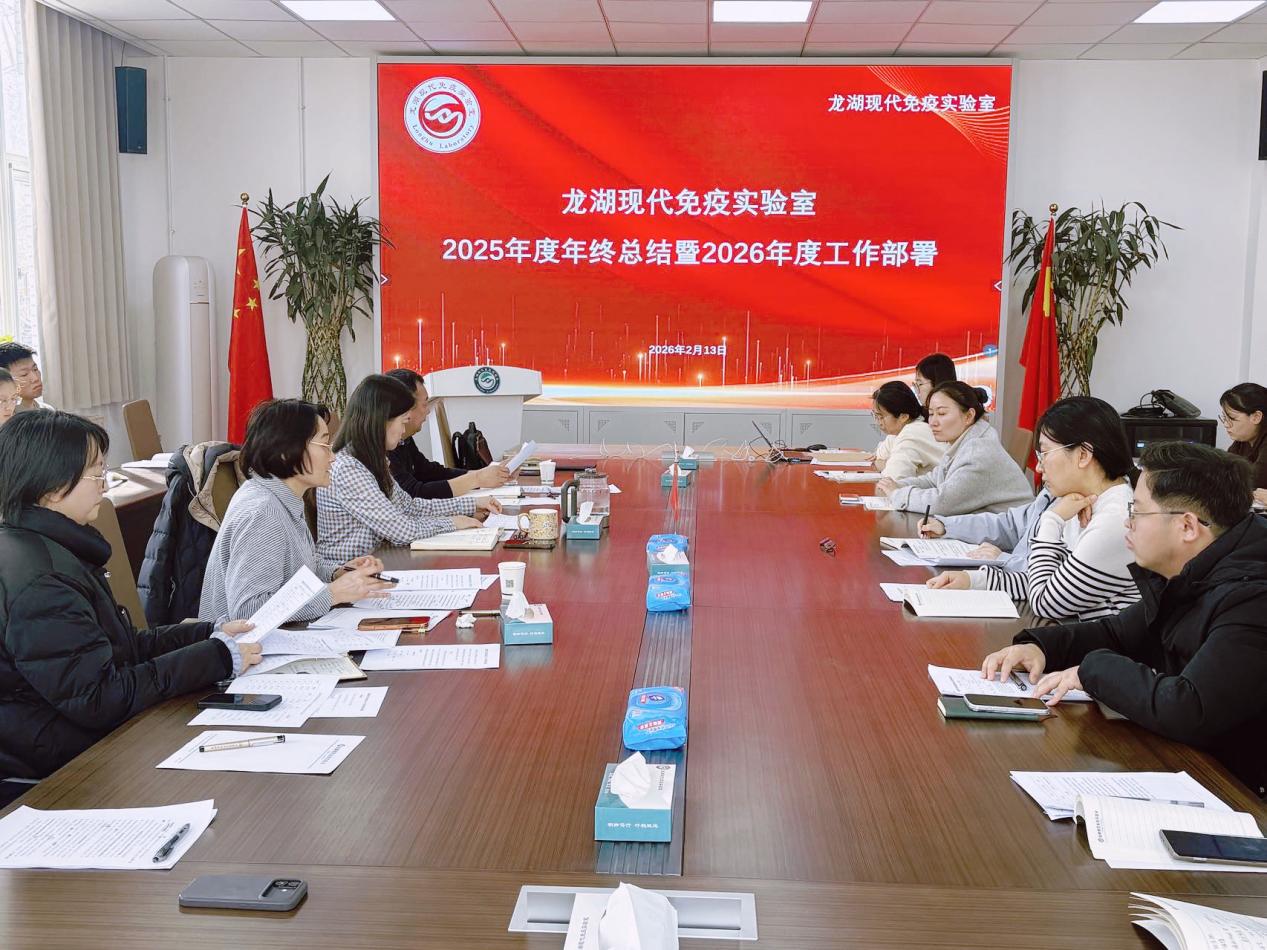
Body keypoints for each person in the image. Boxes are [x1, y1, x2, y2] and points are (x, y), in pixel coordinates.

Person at [981, 441, 1267, 797]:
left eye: (1138, 511)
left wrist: (1092, 670)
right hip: (1189, 767)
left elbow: (1190, 709)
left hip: (1241, 795)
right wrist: (1039, 647)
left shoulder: (1251, 596)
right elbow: (1118, 633)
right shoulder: (1194, 570)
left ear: (1187, 526)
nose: (1127, 523)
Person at [0, 411, 260, 792]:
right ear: (53, 488)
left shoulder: (50, 549)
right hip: (61, 770)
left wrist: (209, 634)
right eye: (96, 474)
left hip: (74, 737)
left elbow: (120, 648)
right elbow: (100, 698)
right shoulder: (42, 582)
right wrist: (217, 657)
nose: (104, 485)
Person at [923, 396, 1139, 621]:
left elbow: (1047, 602)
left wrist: (1051, 519)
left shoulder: (1115, 520)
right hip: (1068, 631)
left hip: (1093, 640)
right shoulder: (1078, 500)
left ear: (1083, 455)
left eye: (1044, 453)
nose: (1038, 467)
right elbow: (1047, 581)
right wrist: (974, 580)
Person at [200, 398, 394, 625]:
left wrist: (338, 573)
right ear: (286, 451)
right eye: (324, 445)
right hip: (244, 644)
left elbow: (299, 567)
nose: (332, 457)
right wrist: (332, 594)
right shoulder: (262, 513)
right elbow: (248, 612)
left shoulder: (282, 496)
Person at [317, 374, 497, 563]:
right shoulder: (348, 468)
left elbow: (409, 507)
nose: (404, 431)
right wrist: (454, 522)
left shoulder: (373, 459)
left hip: (379, 561)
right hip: (348, 572)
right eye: (403, 422)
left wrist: (470, 505)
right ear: (382, 421)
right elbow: (402, 530)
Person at [876, 381, 1033, 516]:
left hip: (1011, 536)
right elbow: (934, 480)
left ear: (968, 416)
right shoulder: (961, 441)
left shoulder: (978, 451)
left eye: (942, 413)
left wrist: (897, 494)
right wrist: (898, 485)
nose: (933, 422)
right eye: (931, 414)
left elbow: (941, 503)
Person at [384, 368, 510, 499]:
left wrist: (485, 475)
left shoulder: (403, 439)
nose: (428, 411)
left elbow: (429, 472)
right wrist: (477, 479)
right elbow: (413, 495)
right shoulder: (384, 447)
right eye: (424, 404)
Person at [866, 380, 944, 479]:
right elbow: (877, 457)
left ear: (903, 417)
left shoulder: (913, 433)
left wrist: (883, 464)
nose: (878, 422)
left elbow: (892, 478)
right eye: (875, 416)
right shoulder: (898, 431)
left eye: (881, 416)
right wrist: (883, 463)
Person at [1220, 382, 1267, 507]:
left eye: (1232, 418)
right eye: (1224, 418)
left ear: (1256, 417)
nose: (1226, 424)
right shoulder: (1243, 440)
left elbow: (1254, 480)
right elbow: (1222, 470)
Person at [0, 342, 52, 412]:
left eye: (35, 369)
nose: (35, 378)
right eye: (24, 374)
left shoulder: (48, 410)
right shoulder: (6, 415)